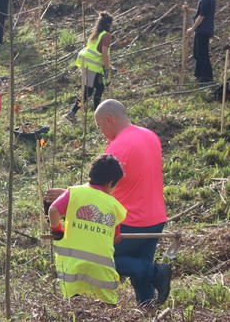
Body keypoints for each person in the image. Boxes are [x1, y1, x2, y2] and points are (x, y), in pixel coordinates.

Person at [46, 99, 171, 307]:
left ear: (108, 119)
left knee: (101, 261)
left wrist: (71, 195)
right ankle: (147, 309)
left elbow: (100, 184)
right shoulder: (149, 135)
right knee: (139, 267)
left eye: (99, 126)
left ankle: (157, 272)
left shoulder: (119, 147)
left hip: (131, 219)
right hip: (155, 217)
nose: (101, 131)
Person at [48, 154, 128, 305]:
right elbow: (116, 238)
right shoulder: (115, 206)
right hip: (101, 268)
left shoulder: (74, 193)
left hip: (72, 265)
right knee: (108, 303)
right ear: (111, 183)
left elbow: (53, 210)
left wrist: (57, 229)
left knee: (73, 303)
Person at [64, 12, 114, 123]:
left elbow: (97, 52)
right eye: (111, 25)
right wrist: (107, 69)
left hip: (85, 61)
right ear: (108, 25)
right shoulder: (106, 35)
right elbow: (104, 54)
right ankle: (93, 116)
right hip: (91, 65)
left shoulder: (96, 34)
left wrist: (108, 65)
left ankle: (75, 113)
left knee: (97, 88)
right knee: (90, 90)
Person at [182, 0, 215, 83]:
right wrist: (190, 10)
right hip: (201, 29)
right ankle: (199, 76)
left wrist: (192, 28)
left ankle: (207, 79)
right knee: (197, 53)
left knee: (202, 55)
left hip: (203, 30)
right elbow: (201, 12)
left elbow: (203, 16)